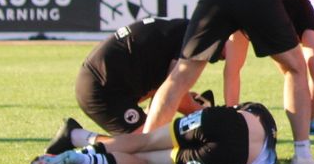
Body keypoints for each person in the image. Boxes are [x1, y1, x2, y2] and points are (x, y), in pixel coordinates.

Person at [136, 0, 314, 164]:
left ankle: (143, 148)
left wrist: (232, 111)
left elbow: (233, 69)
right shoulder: (301, 8)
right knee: (296, 69)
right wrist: (310, 119)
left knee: (181, 75)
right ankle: (303, 154)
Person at [40, 17, 217, 146]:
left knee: (155, 133)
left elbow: (166, 92)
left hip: (102, 82)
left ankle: (203, 107)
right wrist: (205, 116)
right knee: (143, 147)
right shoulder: (190, 40)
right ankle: (76, 136)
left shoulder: (184, 31)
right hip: (101, 89)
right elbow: (174, 92)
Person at [34, 101, 277, 164]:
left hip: (226, 120)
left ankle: (82, 148)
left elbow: (229, 109)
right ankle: (84, 161)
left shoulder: (252, 112)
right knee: (144, 161)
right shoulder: (269, 153)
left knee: (144, 142)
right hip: (237, 157)